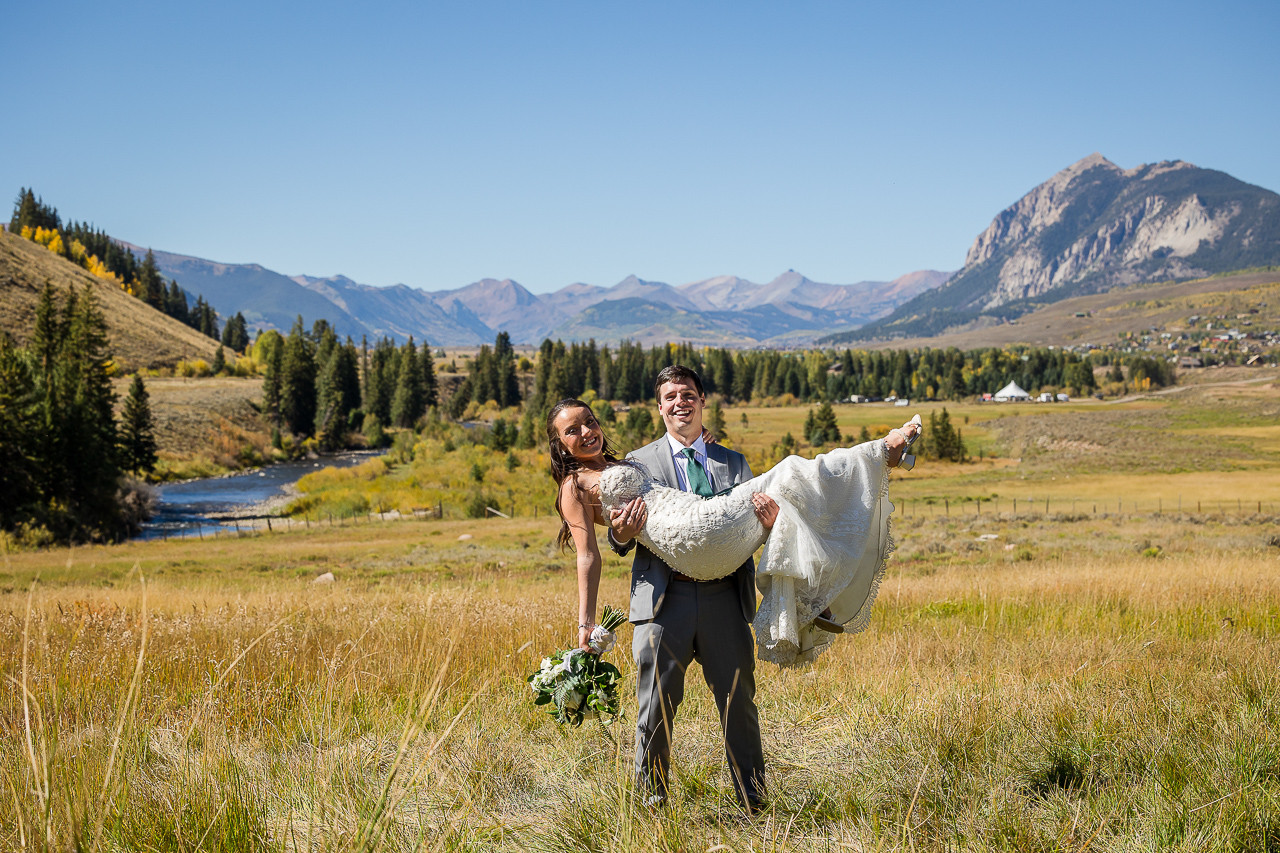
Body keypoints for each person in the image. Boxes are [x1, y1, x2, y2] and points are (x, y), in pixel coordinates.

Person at [549, 366, 920, 809]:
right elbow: (592, 550)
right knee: (654, 708)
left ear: (702, 400)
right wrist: (590, 609)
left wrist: (768, 525)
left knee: (739, 704)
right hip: (665, 600)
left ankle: (754, 803)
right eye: (574, 430)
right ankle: (651, 808)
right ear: (560, 443)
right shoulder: (629, 463)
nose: (587, 432)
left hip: (725, 590)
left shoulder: (722, 460)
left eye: (590, 421)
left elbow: (744, 530)